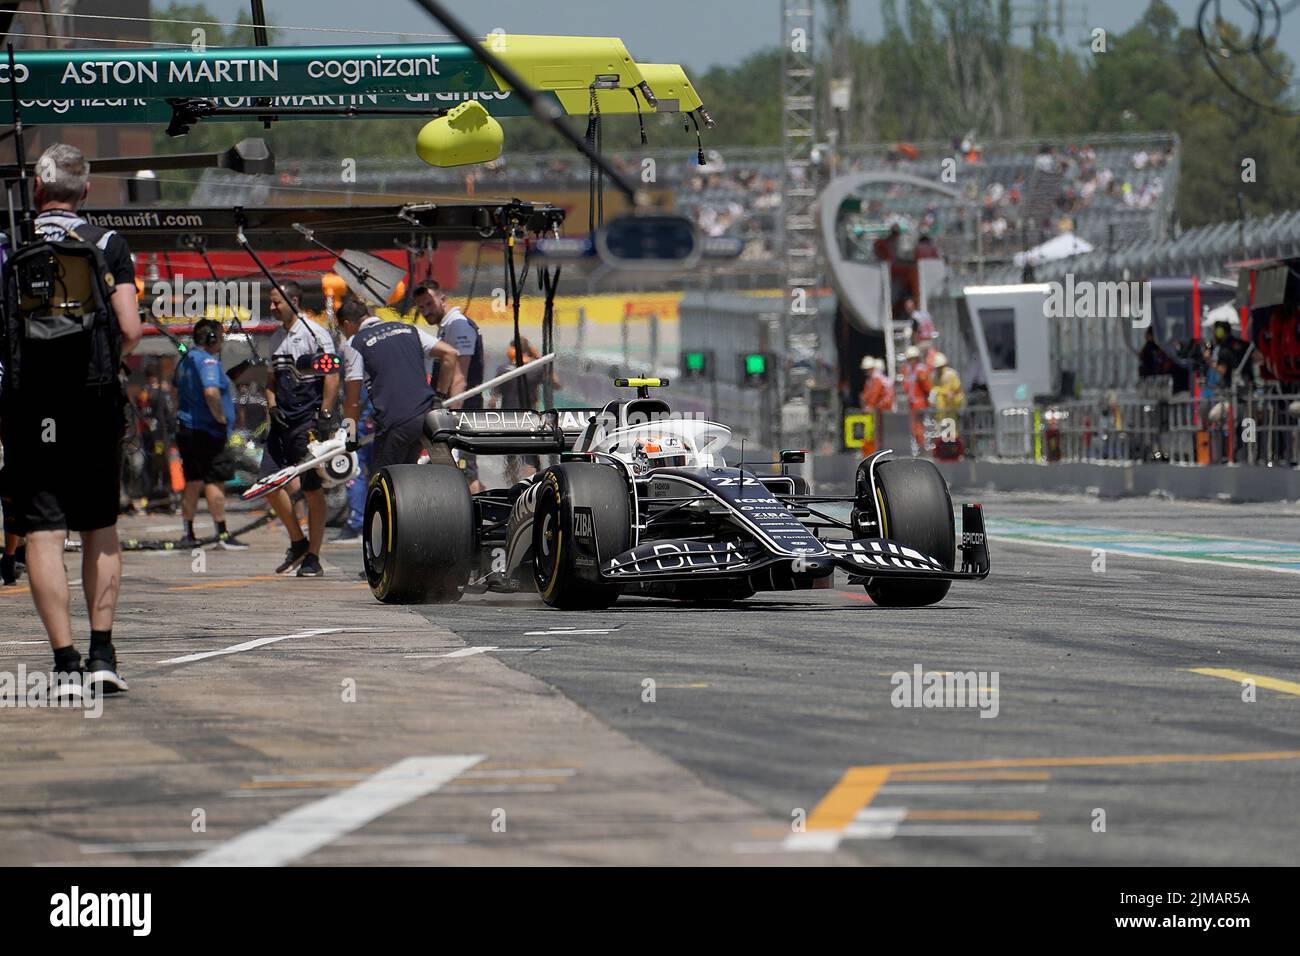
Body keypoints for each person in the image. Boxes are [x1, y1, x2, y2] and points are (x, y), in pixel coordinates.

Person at [0, 143, 142, 693]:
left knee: (42, 531)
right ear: (84, 191)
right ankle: (102, 654)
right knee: (99, 526)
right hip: (93, 401)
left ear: (36, 189)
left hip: (31, 405)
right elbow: (130, 328)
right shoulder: (106, 244)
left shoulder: (12, 244)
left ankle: (64, 665)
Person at [260, 279, 339, 577]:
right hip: (282, 423)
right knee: (267, 483)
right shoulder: (275, 339)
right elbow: (270, 381)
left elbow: (332, 374)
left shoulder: (314, 334)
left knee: (311, 490)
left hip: (307, 422)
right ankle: (297, 541)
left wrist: (325, 415)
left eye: (276, 302)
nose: (271, 307)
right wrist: (272, 406)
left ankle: (313, 558)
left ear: (293, 301)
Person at [337, 292, 459, 470]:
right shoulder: (409, 329)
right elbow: (450, 353)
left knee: (382, 485)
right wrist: (439, 395)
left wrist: (350, 435)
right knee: (408, 480)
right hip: (428, 417)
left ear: (347, 324)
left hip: (395, 423)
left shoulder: (355, 344)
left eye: (342, 331)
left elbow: (352, 400)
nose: (344, 336)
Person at [173, 318, 245, 550]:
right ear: (212, 338)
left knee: (192, 480)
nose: (222, 341)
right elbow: (211, 392)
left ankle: (188, 532)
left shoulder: (185, 360)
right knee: (215, 479)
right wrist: (221, 419)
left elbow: (175, 392)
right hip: (208, 431)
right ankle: (222, 533)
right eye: (220, 337)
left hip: (187, 428)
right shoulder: (207, 361)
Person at [413, 281, 485, 492]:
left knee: (466, 471)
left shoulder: (458, 325)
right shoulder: (446, 327)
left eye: (429, 303)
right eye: (421, 307)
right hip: (458, 408)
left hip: (463, 410)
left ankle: (476, 522)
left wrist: (451, 419)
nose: (426, 310)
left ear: (442, 299)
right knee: (463, 470)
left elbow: (460, 377)